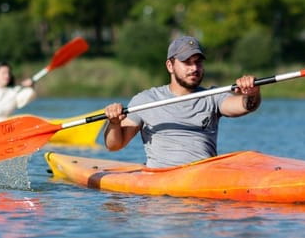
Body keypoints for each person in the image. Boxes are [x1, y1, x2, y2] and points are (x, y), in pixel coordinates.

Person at [103, 36, 261, 168]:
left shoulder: (213, 96)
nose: (194, 68)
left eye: (198, 62)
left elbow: (246, 106)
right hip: (162, 180)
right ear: (170, 66)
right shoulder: (146, 100)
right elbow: (114, 145)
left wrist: (252, 93)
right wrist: (114, 123)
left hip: (203, 177)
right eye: (187, 62)